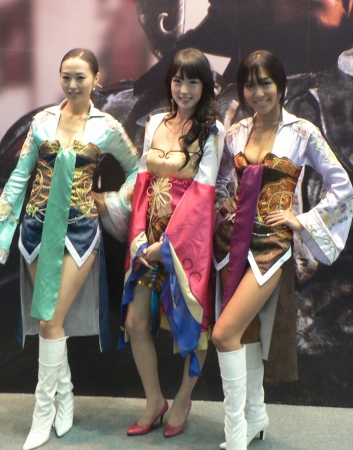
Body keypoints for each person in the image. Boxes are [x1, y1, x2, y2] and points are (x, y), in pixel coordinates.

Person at [0, 48, 139, 450]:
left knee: (49, 321)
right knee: (50, 323)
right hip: (36, 230)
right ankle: (67, 395)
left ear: (96, 79)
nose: (72, 85)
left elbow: (138, 169)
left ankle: (42, 413)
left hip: (80, 232)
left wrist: (110, 201)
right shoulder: (42, 121)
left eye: (80, 77)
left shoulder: (107, 127)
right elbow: (20, 175)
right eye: (66, 77)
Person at [212, 50, 353, 449]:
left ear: (280, 85)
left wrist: (301, 219)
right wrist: (224, 200)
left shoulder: (303, 132)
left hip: (270, 249)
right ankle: (255, 416)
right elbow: (220, 181)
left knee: (224, 334)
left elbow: (341, 186)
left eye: (265, 83)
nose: (257, 93)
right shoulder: (235, 132)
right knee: (246, 334)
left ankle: (234, 434)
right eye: (249, 85)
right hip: (231, 244)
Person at [119, 47, 225, 438]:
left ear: (205, 86)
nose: (184, 89)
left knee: (195, 325)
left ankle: (182, 399)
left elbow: (202, 195)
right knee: (135, 321)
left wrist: (166, 244)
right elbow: (142, 185)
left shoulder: (213, 131)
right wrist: (139, 241)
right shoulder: (154, 123)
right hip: (146, 241)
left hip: (187, 243)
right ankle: (154, 400)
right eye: (178, 80)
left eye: (193, 81)